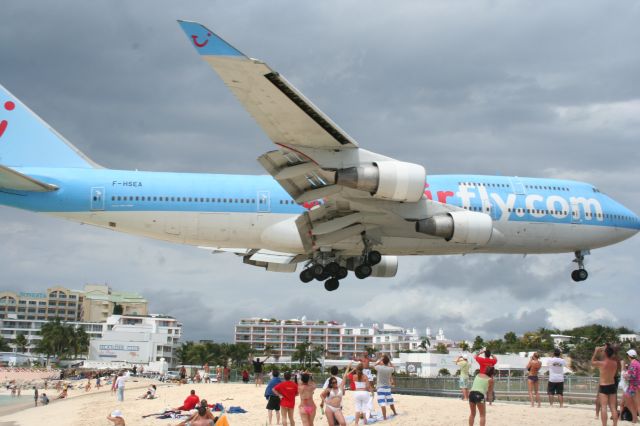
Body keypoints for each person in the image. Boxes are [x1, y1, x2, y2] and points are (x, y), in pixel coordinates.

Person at [592, 343, 619, 426]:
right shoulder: (615, 363)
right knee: (613, 408)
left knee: (603, 407)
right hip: (612, 385)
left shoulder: (602, 363)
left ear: (606, 353)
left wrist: (596, 351)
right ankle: (615, 424)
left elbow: (592, 362)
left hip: (603, 386)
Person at [374, 355, 397, 420]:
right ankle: (395, 413)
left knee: (382, 403)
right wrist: (389, 361)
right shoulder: (390, 369)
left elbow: (374, 365)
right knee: (390, 402)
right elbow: (393, 367)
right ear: (387, 362)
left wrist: (379, 360)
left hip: (380, 388)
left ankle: (384, 417)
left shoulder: (379, 368)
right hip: (387, 388)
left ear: (382, 361)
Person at [623, 349, 640, 423]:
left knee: (636, 403)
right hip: (635, 385)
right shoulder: (637, 363)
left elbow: (633, 376)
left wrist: (626, 375)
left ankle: (635, 418)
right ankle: (634, 418)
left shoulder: (633, 364)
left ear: (629, 356)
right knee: (634, 402)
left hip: (634, 386)